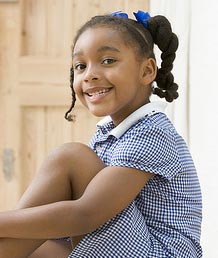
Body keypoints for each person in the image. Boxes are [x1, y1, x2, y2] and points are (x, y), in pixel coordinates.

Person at [0, 10, 202, 258]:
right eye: (80, 66)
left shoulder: (153, 132)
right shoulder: (108, 134)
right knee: (31, 248)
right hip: (127, 246)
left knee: (70, 157)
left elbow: (85, 215)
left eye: (107, 61)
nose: (90, 74)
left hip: (157, 253)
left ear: (147, 71)